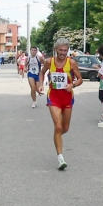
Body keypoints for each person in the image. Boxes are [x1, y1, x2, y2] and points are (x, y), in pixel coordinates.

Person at [38, 38, 83, 170]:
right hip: (54, 98)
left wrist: (73, 84)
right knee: (58, 126)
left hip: (67, 98)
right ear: (56, 49)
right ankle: (60, 158)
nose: (63, 52)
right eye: (61, 50)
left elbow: (80, 79)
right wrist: (40, 85)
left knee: (65, 128)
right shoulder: (49, 61)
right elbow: (42, 73)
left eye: (65, 50)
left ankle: (56, 137)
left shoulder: (72, 63)